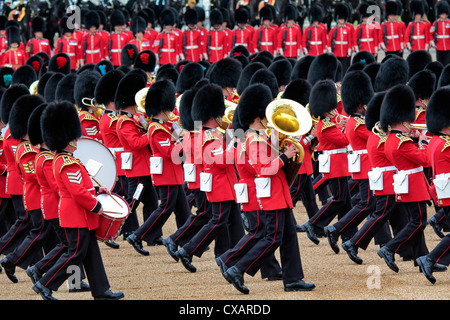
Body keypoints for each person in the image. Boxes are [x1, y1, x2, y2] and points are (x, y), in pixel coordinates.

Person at [32, 100, 124, 300]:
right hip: (76, 214)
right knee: (75, 253)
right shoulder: (66, 162)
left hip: (80, 214)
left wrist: (96, 188)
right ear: (66, 138)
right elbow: (77, 193)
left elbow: (82, 186)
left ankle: (101, 290)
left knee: (91, 253)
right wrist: (96, 205)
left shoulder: (69, 160)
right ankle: (45, 283)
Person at [174, 84, 243, 273]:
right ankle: (187, 250)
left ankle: (229, 256)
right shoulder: (210, 137)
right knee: (217, 221)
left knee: (228, 221)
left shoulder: (210, 134)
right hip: (220, 186)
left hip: (224, 185)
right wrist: (236, 147)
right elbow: (221, 161)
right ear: (213, 115)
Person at [126, 79, 190, 255]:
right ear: (162, 108)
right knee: (165, 207)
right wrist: (184, 139)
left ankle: (187, 240)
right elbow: (171, 152)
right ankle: (137, 235)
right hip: (166, 174)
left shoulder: (165, 125)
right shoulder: (156, 129)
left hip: (174, 173)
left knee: (183, 208)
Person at [377, 84, 430, 273]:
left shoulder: (392, 140)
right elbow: (425, 159)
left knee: (415, 222)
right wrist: (423, 141)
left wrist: (416, 140)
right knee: (418, 222)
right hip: (413, 185)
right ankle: (389, 248)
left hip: (406, 184)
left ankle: (422, 258)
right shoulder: (402, 142)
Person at [324, 70, 376, 254]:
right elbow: (375, 138)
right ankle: (337, 230)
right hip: (365, 166)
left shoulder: (357, 120)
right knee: (366, 204)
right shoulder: (359, 123)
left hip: (366, 166)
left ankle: (340, 231)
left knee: (368, 204)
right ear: (360, 104)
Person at [0, 94, 46, 283]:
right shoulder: (13, 136)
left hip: (26, 184)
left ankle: (32, 265)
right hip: (20, 183)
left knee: (34, 226)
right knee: (26, 222)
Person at [301, 80, 352, 245]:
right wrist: (349, 126)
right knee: (339, 198)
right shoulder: (326, 126)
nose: (334, 110)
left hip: (340, 164)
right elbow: (345, 140)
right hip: (335, 164)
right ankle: (313, 223)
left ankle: (347, 234)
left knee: (346, 201)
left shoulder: (328, 123)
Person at [115, 71, 158, 245]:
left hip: (145, 167)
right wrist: (152, 132)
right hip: (137, 169)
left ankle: (152, 236)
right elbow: (135, 143)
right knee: (132, 203)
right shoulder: (124, 122)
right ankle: (123, 230)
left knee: (152, 204)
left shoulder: (134, 120)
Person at [416, 86, 450, 284]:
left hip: (442, 193)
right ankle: (428, 259)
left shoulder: (436, 141)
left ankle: (431, 259)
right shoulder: (445, 145)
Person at [328, 3, 353, 75]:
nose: (342, 21)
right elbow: (329, 41)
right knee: (337, 70)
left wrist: (349, 50)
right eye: (340, 19)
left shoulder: (347, 29)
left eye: (343, 19)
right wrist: (330, 50)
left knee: (345, 69)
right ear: (337, 20)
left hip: (345, 53)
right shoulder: (333, 30)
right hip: (336, 52)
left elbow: (349, 41)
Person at [431, 1, 450, 69]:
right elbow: (431, 34)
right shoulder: (435, 23)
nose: (444, 15)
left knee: (447, 64)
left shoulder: (449, 22)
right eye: (442, 14)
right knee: (440, 63)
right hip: (439, 46)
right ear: (439, 14)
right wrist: (432, 43)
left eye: (445, 14)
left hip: (448, 46)